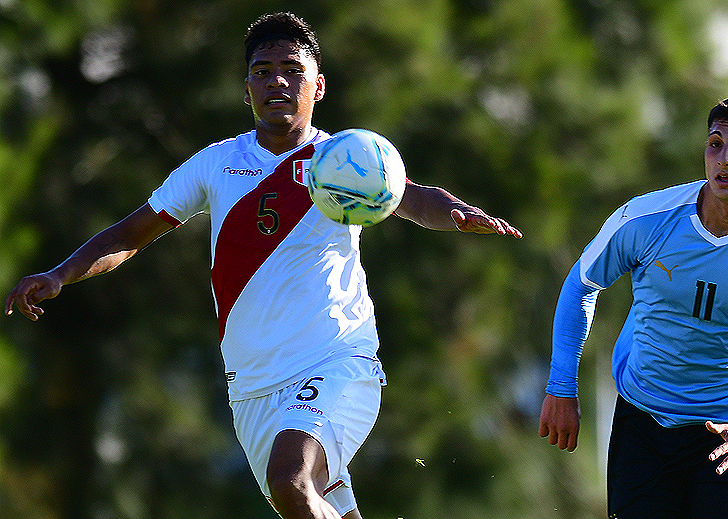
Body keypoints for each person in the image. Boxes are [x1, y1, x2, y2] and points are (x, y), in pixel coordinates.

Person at [5, 12, 522, 519]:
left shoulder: (342, 159)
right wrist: (59, 275)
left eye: (293, 71)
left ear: (318, 87)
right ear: (246, 90)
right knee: (307, 501)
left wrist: (455, 213)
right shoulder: (215, 163)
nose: (277, 81)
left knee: (290, 483)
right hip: (251, 389)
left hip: (336, 361)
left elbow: (409, 197)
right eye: (262, 71)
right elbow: (130, 234)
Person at [538, 95, 728, 518]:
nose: (724, 158)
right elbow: (582, 285)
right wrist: (562, 385)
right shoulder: (645, 219)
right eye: (715, 144)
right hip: (645, 420)